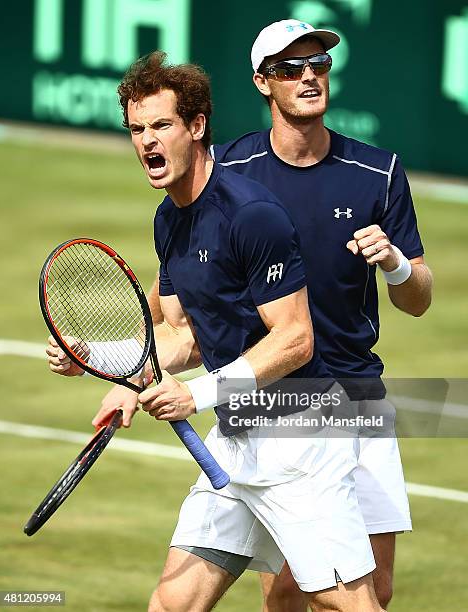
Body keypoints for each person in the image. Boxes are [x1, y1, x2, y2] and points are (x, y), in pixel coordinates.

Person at [46, 52, 384, 611]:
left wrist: (197, 394)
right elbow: (187, 335)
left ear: (197, 126)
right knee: (171, 605)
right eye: (136, 129)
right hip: (237, 442)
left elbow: (296, 339)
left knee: (348, 605)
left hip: (302, 440)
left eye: (160, 125)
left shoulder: (252, 215)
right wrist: (103, 357)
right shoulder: (169, 218)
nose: (147, 142)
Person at [206, 19, 433, 611]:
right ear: (263, 83)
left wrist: (394, 266)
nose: (308, 76)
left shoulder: (378, 171)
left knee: (374, 591)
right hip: (278, 404)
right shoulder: (226, 172)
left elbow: (419, 297)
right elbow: (181, 287)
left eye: (318, 65)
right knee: (292, 590)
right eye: (290, 69)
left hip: (359, 398)